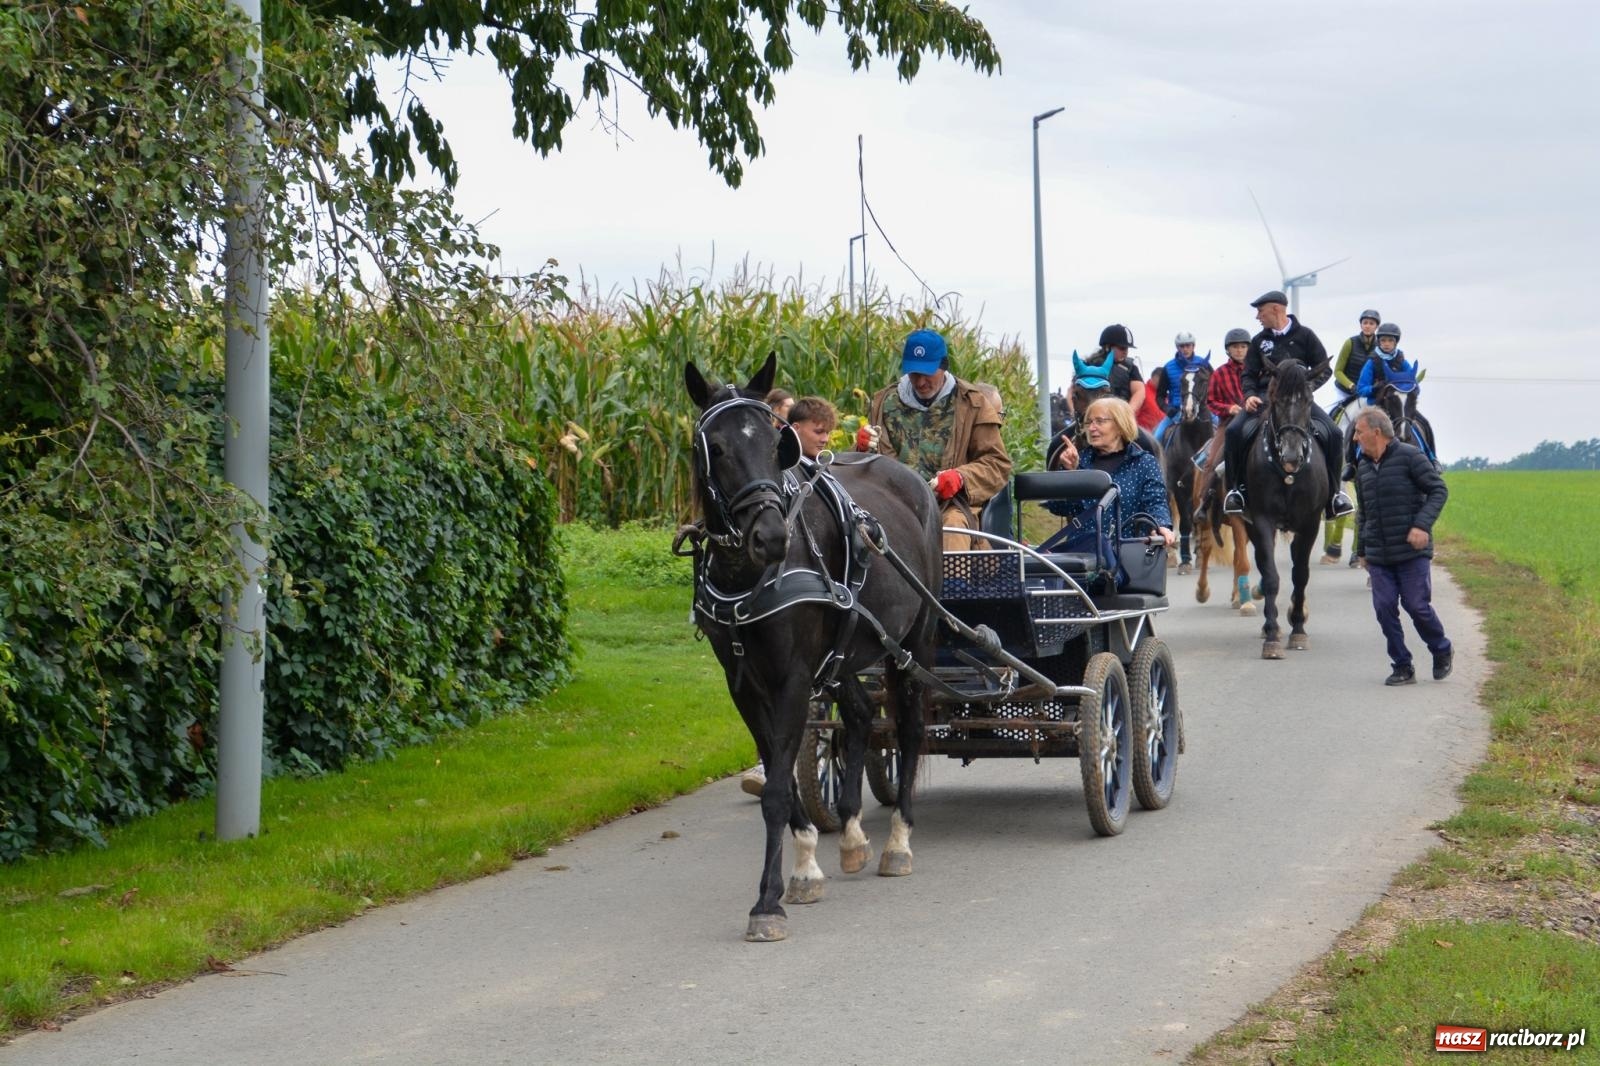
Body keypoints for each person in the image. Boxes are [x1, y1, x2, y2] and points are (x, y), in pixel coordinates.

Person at [857, 328, 1013, 550]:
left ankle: (955, 585)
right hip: (893, 504)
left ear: (944, 366)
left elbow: (997, 464)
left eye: (927, 373)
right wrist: (860, 447)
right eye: (913, 374)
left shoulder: (973, 404)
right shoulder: (884, 403)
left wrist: (961, 477)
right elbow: (865, 464)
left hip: (950, 506)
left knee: (953, 528)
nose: (920, 382)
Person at [1221, 290, 1354, 520]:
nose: (1257, 317)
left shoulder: (1306, 336)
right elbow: (1248, 375)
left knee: (1333, 433)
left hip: (1299, 400)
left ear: (1276, 309)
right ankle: (1236, 492)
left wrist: (1306, 389)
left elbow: (1325, 368)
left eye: (1260, 311)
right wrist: (1249, 395)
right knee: (1233, 431)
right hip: (1265, 399)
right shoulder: (1259, 341)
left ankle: (1335, 495)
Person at [1350, 408, 1452, 686]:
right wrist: (1362, 550)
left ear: (1376, 432)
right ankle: (1402, 665)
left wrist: (1422, 526)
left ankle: (1441, 649)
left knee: (1416, 605)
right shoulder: (1363, 469)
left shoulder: (1411, 457)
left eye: (1359, 432)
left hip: (1411, 551)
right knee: (1384, 608)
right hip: (1379, 554)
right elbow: (1364, 513)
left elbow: (1438, 490)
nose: (1355, 438)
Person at [1048, 397, 1176, 557]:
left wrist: (1161, 525)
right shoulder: (1080, 463)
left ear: (1120, 425)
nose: (1092, 428)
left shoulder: (1144, 462)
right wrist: (1070, 473)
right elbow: (1058, 507)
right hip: (1085, 556)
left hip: (1130, 554)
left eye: (1100, 421)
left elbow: (1155, 502)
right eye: (1089, 422)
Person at [1194, 327, 1251, 504]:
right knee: (1211, 460)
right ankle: (1205, 502)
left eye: (1243, 346)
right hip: (1229, 423)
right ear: (1228, 349)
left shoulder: (1257, 370)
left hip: (1255, 419)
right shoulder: (1219, 373)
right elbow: (1211, 401)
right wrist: (1229, 408)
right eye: (1235, 347)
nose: (1239, 350)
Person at [1149, 331, 1211, 447]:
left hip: (1202, 412)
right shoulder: (1168, 367)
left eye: (1188, 345)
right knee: (1156, 438)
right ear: (1177, 347)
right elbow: (1160, 397)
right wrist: (1169, 411)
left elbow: (1213, 389)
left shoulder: (1204, 365)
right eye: (1182, 346)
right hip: (1176, 413)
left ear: (1193, 346)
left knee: (1225, 434)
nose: (1185, 349)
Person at [1081, 324, 1147, 417]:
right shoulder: (1090, 365)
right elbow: (1073, 392)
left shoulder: (1131, 367)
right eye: (1122, 348)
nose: (1125, 352)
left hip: (1121, 416)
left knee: (1145, 432)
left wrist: (1127, 413)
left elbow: (1139, 391)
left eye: (1127, 348)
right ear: (1108, 347)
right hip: (1093, 417)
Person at [1331, 310, 1381, 421]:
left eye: (1371, 323)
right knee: (1330, 415)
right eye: (1365, 323)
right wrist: (1351, 386)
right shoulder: (1350, 343)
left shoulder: (1380, 347)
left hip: (1366, 393)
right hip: (1345, 392)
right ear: (1361, 325)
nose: (1367, 326)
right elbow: (1338, 371)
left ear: (1376, 326)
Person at [787, 396, 838, 460]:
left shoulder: (824, 465)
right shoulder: (775, 464)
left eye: (827, 433)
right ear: (795, 428)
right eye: (818, 432)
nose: (825, 439)